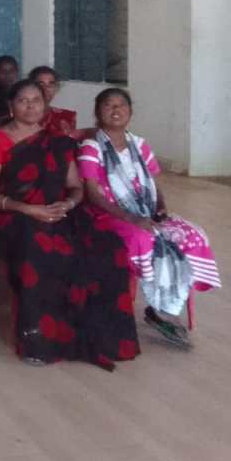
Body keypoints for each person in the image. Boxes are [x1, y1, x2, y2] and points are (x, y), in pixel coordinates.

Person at [0, 80, 139, 370]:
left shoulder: (56, 140)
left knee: (108, 248)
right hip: (14, 214)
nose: (30, 106)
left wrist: (68, 204)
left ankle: (104, 339)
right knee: (40, 248)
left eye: (36, 100)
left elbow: (75, 187)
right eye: (23, 100)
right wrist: (28, 209)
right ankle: (40, 342)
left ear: (45, 105)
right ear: (11, 106)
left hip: (59, 211)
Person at [78, 88, 220, 347]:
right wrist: (131, 218)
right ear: (98, 112)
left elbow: (153, 183)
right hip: (107, 214)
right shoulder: (91, 147)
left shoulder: (140, 144)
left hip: (145, 211)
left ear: (130, 111)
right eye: (108, 105)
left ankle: (167, 306)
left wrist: (161, 207)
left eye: (121, 105)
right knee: (144, 239)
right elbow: (94, 195)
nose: (116, 110)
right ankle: (162, 310)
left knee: (193, 235)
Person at [28, 66, 79, 138]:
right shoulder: (22, 115)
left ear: (56, 88)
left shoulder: (66, 116)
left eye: (51, 84)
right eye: (41, 84)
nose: (46, 88)